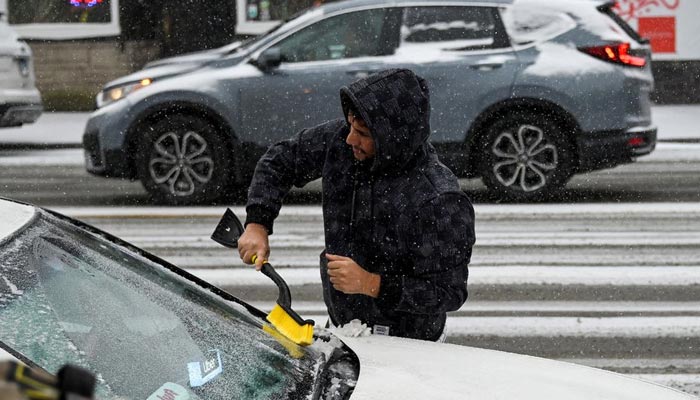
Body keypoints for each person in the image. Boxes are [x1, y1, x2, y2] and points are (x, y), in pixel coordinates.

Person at [237, 68, 475, 341]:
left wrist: (371, 284)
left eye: (362, 132)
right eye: (351, 125)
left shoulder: (439, 199)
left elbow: (448, 292)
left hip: (411, 342)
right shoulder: (342, 144)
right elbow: (280, 161)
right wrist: (258, 223)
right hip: (344, 325)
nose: (350, 138)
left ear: (391, 137)